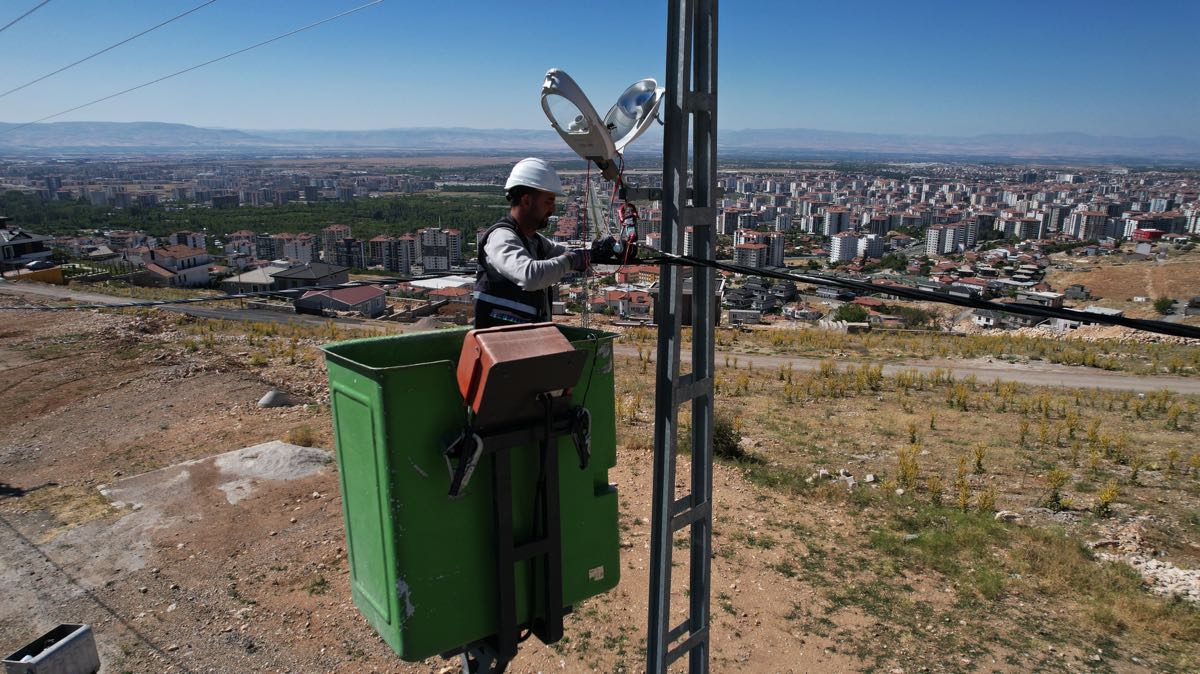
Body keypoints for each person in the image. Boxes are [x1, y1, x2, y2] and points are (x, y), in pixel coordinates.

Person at [473, 158, 589, 328]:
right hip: (497, 341)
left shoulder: (534, 240)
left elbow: (564, 251)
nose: (553, 209)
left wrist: (598, 252)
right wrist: (570, 261)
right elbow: (530, 276)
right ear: (526, 200)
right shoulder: (501, 238)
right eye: (549, 201)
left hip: (525, 340)